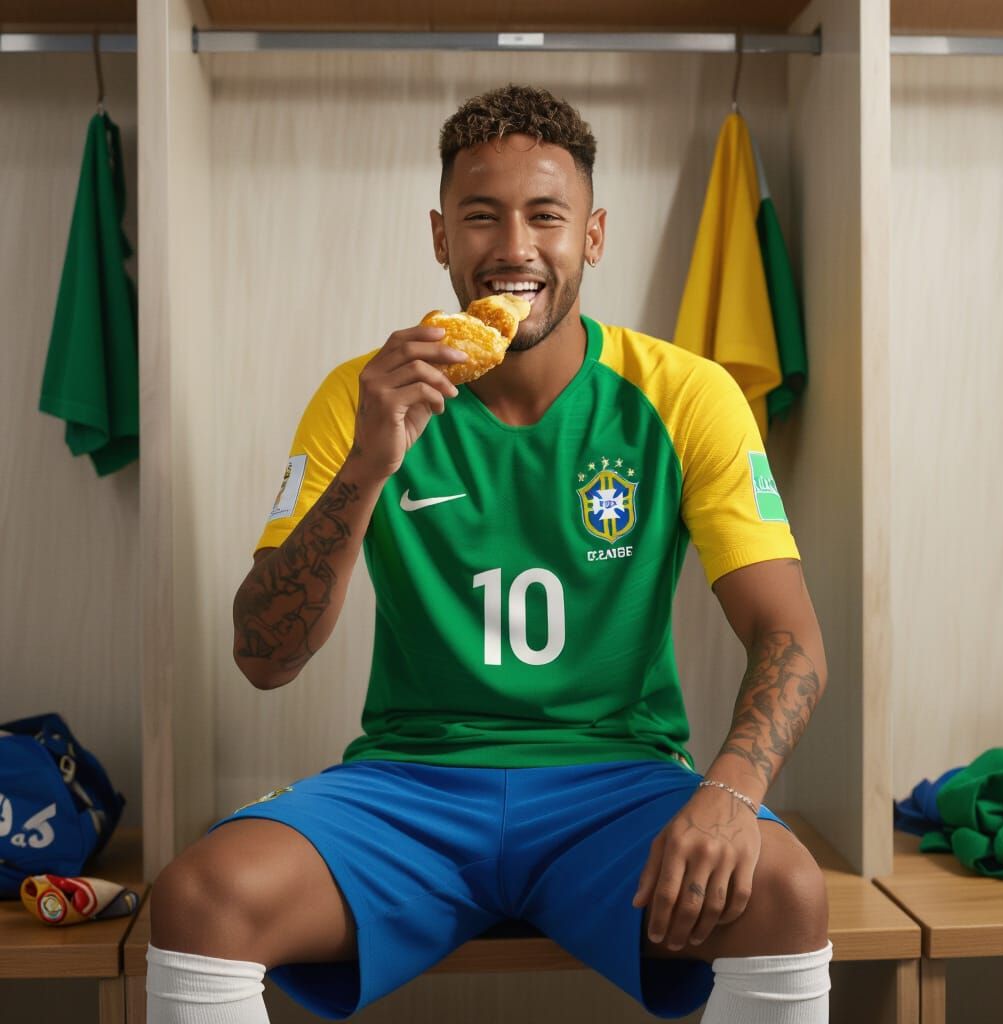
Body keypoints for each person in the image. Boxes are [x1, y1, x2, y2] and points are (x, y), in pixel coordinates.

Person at [146, 84, 831, 1024]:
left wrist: (727, 794)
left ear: (591, 235)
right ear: (440, 236)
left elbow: (791, 639)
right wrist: (368, 467)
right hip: (410, 786)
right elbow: (265, 658)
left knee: (787, 889)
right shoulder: (364, 394)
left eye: (545, 216)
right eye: (481, 216)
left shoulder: (685, 393)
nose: (513, 247)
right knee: (199, 900)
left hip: (616, 785)